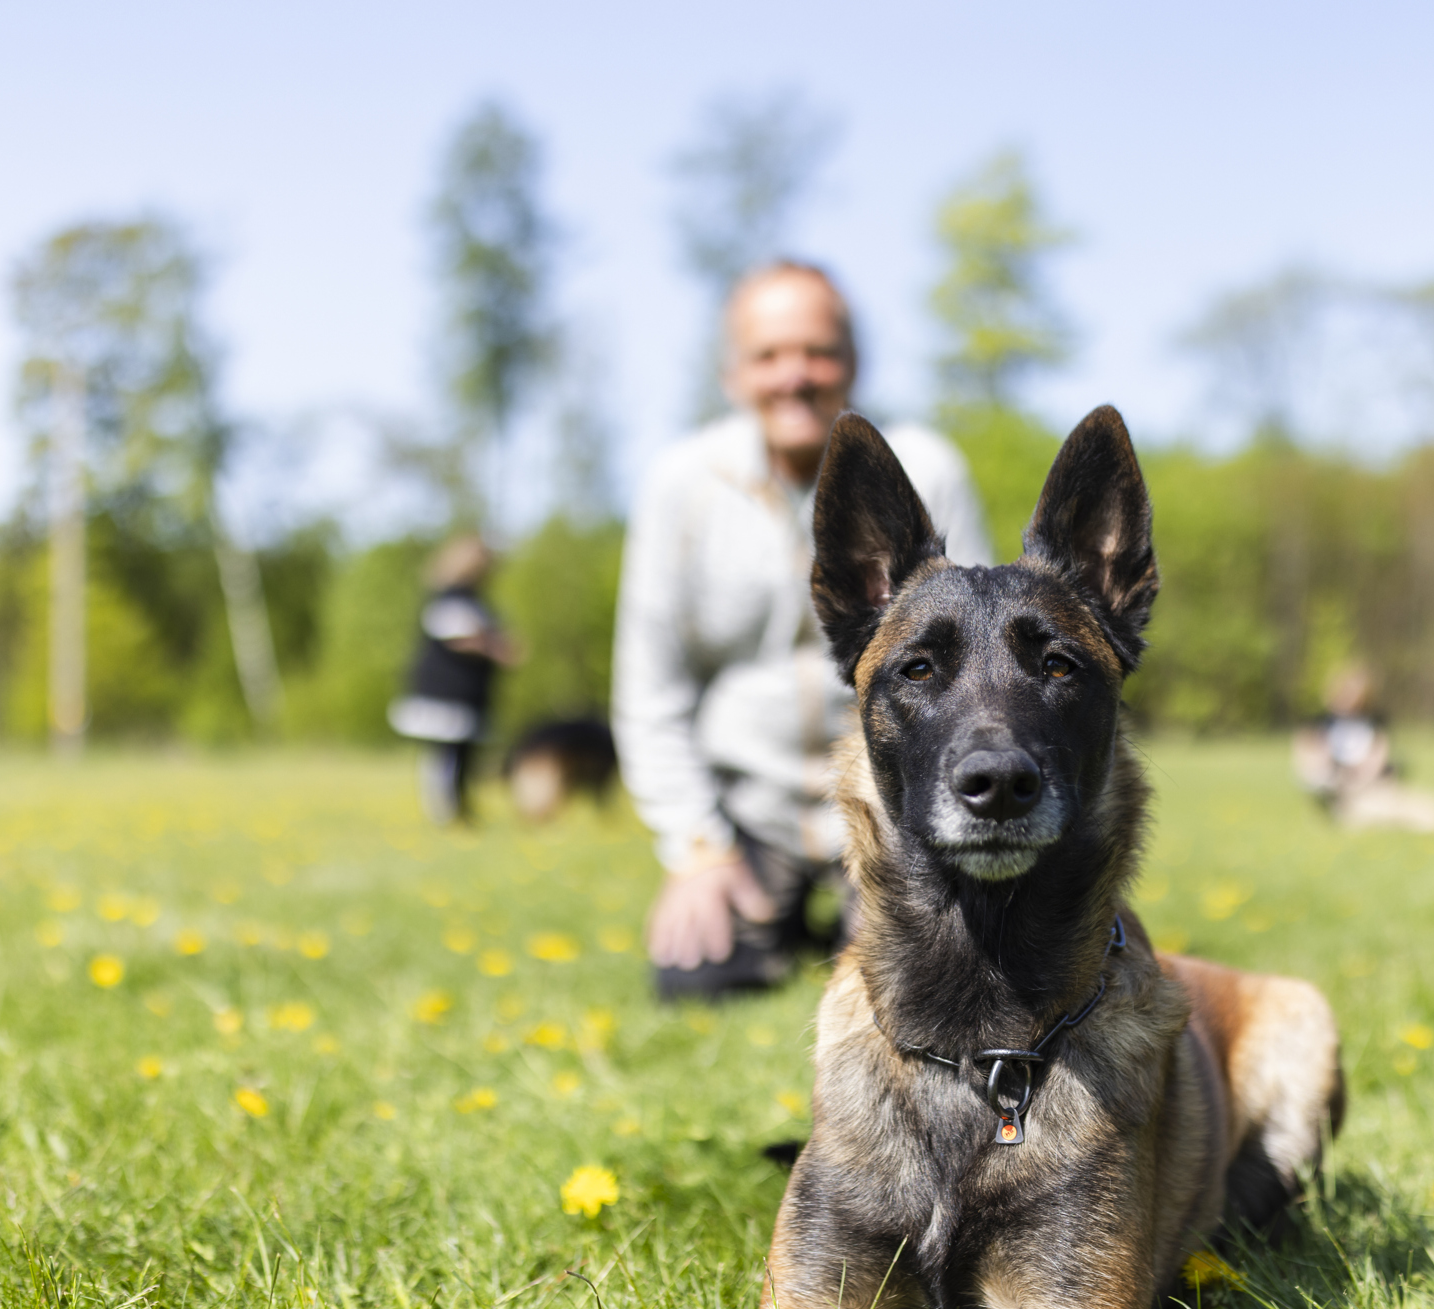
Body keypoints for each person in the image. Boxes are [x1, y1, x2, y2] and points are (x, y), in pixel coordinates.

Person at [614, 261, 993, 998]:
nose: (796, 375)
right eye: (768, 355)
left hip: (897, 808)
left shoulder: (929, 467)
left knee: (925, 978)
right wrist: (695, 852)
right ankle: (774, 914)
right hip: (748, 811)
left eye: (819, 351)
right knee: (700, 979)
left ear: (852, 365)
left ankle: (856, 913)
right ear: (732, 375)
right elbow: (650, 691)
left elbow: (978, 662)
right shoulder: (680, 484)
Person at [389, 534, 520, 826]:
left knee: (462, 756)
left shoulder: (473, 599)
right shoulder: (450, 598)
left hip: (466, 693)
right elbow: (460, 638)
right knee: (444, 757)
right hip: (446, 693)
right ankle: (445, 814)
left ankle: (460, 811)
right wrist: (497, 648)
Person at [1291, 663, 1434, 833]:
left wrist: (1357, 781)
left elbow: (1377, 760)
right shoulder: (1319, 725)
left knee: (1430, 812)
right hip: (1337, 789)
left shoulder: (1373, 725)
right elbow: (1305, 759)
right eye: (1345, 691)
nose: (1349, 699)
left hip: (1371, 786)